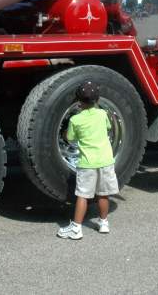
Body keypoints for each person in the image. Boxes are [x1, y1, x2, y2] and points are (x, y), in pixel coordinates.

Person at [57, 81, 119, 240]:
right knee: (103, 194)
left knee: (83, 195)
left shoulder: (75, 120)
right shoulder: (102, 114)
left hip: (87, 164)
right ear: (97, 100)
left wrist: (64, 133)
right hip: (106, 161)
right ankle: (104, 223)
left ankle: (76, 228)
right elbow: (108, 128)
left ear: (78, 101)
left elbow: (70, 138)